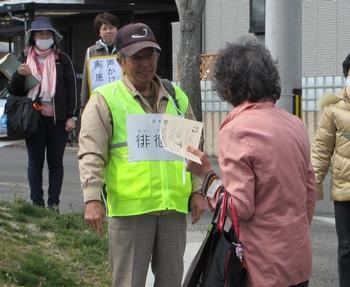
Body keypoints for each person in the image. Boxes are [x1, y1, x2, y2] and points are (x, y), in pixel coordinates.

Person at [78, 22, 206, 287]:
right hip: (130, 213)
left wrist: (197, 191)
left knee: (171, 281)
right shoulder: (105, 100)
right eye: (137, 57)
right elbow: (91, 152)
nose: (145, 63)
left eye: (150, 55)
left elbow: (194, 149)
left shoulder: (177, 97)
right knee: (129, 282)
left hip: (172, 210)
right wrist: (92, 198)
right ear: (122, 62)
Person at [186, 37, 316, 287]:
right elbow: (309, 194)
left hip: (260, 264)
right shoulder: (295, 124)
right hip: (297, 258)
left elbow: (238, 209)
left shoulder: (236, 129)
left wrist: (206, 175)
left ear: (227, 88)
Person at [9, 17, 79, 212]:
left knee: (56, 163)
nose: (44, 37)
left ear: (53, 37)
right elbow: (14, 91)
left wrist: (72, 117)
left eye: (48, 34)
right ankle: (37, 203)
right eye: (40, 34)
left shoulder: (62, 59)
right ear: (33, 37)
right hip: (33, 118)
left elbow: (72, 88)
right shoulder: (24, 59)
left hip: (58, 120)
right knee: (35, 162)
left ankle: (53, 203)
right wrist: (19, 75)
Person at [311, 54, 350, 287]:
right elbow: (321, 150)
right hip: (344, 190)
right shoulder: (333, 110)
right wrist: (313, 185)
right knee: (346, 247)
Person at [80, 12, 121, 110]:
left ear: (117, 29)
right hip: (99, 101)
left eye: (111, 28)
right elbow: (86, 79)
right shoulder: (91, 51)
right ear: (99, 32)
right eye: (104, 28)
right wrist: (84, 106)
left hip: (121, 100)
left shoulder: (124, 49)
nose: (108, 31)